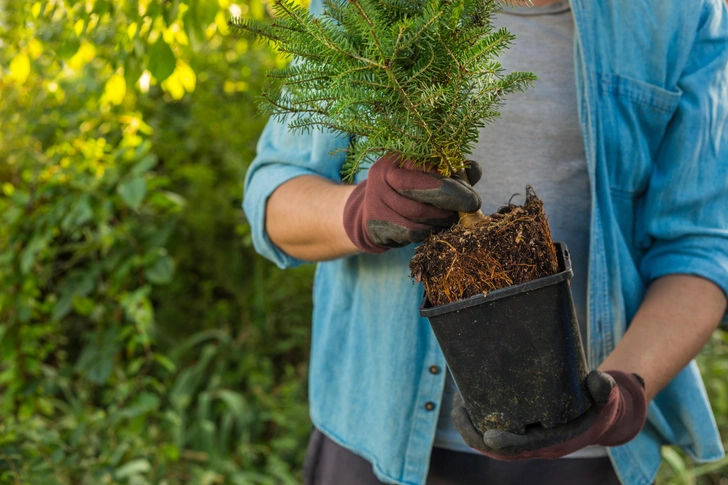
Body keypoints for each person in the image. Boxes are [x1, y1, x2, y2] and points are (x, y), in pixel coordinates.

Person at [242, 0, 728, 483]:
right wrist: (357, 213)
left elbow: (701, 249)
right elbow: (273, 202)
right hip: (374, 439)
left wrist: (623, 392)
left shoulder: (681, 16)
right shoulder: (365, 11)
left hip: (580, 457)